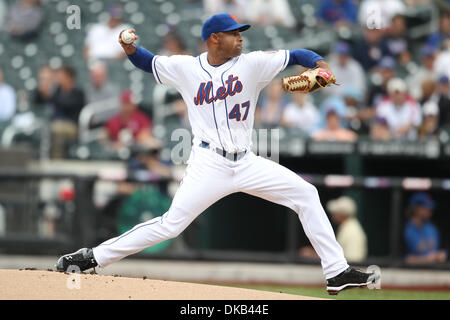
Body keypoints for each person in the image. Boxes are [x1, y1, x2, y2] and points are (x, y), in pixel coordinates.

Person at [56, 13, 378, 295]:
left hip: (247, 161)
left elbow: (297, 54)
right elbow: (148, 62)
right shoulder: (185, 68)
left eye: (241, 33)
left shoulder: (253, 64)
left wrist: (320, 65)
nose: (240, 38)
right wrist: (130, 49)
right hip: (208, 163)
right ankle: (92, 257)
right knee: (170, 225)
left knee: (306, 194)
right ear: (214, 38)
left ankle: (335, 271)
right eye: (234, 33)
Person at [49, 65, 85, 158]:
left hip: (73, 125)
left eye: (61, 76)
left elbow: (69, 106)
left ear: (69, 77)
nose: (59, 79)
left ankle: (56, 160)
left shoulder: (78, 92)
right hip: (56, 122)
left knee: (57, 128)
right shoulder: (57, 91)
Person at [404, 192, 447, 264]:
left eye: (430, 208)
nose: (430, 211)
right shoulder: (405, 230)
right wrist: (427, 259)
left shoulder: (432, 228)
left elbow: (442, 252)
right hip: (412, 272)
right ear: (416, 208)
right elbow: (402, 260)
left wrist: (442, 255)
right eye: (426, 208)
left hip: (435, 271)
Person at [327, 196, 368, 262]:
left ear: (343, 214)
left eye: (336, 212)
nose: (333, 214)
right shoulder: (347, 227)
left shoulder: (352, 230)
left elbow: (354, 260)